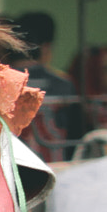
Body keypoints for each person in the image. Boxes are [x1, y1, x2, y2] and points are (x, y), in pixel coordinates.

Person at [8, 10, 86, 159]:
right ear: (46, 47)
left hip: (13, 170)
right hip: (58, 167)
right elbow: (77, 136)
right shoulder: (64, 86)